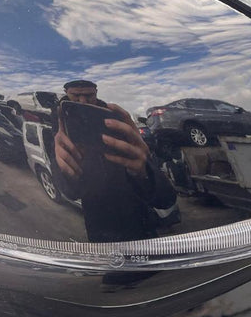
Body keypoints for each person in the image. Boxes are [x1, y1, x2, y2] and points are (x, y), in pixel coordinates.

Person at [52, 79, 177, 242]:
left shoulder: (116, 120)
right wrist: (66, 170)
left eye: (89, 95)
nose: (83, 100)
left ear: (96, 93)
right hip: (101, 231)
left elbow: (165, 199)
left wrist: (144, 169)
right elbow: (70, 192)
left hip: (140, 225)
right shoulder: (60, 129)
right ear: (66, 94)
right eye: (76, 95)